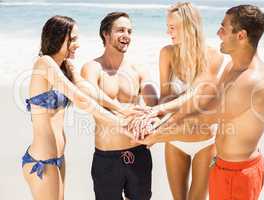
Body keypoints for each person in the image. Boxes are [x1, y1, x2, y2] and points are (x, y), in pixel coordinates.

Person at [139, 4, 264, 200]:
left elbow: (204, 118)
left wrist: (155, 136)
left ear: (241, 36)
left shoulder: (249, 80)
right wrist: (157, 111)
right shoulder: (231, 69)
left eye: (223, 29)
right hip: (222, 166)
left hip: (239, 173)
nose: (218, 33)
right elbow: (200, 102)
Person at [22, 15, 125, 200]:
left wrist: (123, 109)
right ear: (59, 38)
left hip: (58, 158)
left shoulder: (66, 66)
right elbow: (79, 99)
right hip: (41, 160)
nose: (77, 44)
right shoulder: (44, 63)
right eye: (74, 39)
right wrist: (120, 123)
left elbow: (88, 92)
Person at [129, 2, 225, 199]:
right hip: (174, 138)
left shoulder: (214, 56)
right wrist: (151, 121)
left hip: (204, 140)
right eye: (168, 27)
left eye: (172, 27)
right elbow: (166, 98)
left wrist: (159, 110)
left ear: (188, 26)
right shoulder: (167, 53)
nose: (168, 32)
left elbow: (195, 94)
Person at [80, 12, 157, 200]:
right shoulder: (92, 68)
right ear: (106, 34)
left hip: (139, 153)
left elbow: (154, 105)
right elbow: (87, 97)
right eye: (120, 30)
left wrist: (156, 124)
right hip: (107, 157)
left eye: (129, 31)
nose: (127, 35)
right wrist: (120, 109)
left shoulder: (138, 69)